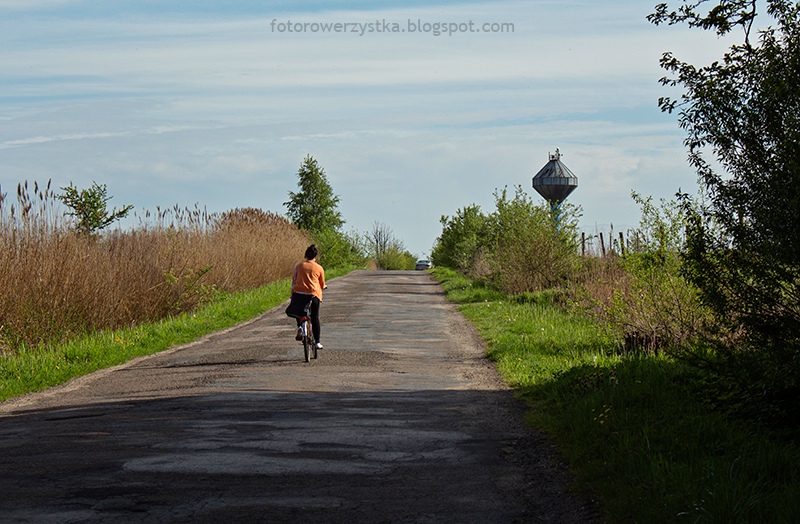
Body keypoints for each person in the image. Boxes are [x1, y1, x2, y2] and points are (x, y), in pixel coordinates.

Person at [286, 244, 326, 350]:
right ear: (315, 256)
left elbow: (294, 280)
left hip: (299, 293)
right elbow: (322, 284)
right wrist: (324, 286)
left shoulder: (299, 266)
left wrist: (293, 293)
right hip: (313, 295)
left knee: (298, 311)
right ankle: (317, 342)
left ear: (306, 256)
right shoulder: (319, 268)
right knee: (314, 317)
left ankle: (299, 327)